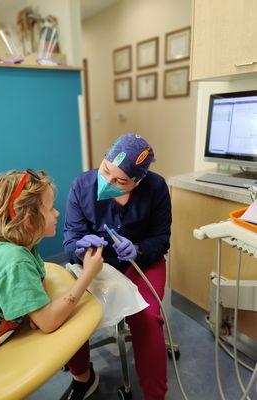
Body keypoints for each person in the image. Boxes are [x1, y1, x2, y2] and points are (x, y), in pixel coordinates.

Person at [0, 168, 103, 389]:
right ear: (27, 218)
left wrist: (32, 311)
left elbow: (36, 292)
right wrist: (88, 274)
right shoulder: (14, 259)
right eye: (51, 207)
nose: (56, 213)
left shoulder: (23, 245)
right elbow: (46, 322)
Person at [63, 134, 172, 400]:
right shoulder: (81, 185)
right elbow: (70, 238)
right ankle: (82, 378)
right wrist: (79, 248)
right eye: (105, 171)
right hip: (97, 266)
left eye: (120, 181)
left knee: (146, 316)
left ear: (137, 181)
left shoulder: (156, 188)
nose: (107, 183)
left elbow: (161, 239)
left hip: (142, 264)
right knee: (71, 307)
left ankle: (155, 395)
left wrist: (139, 250)